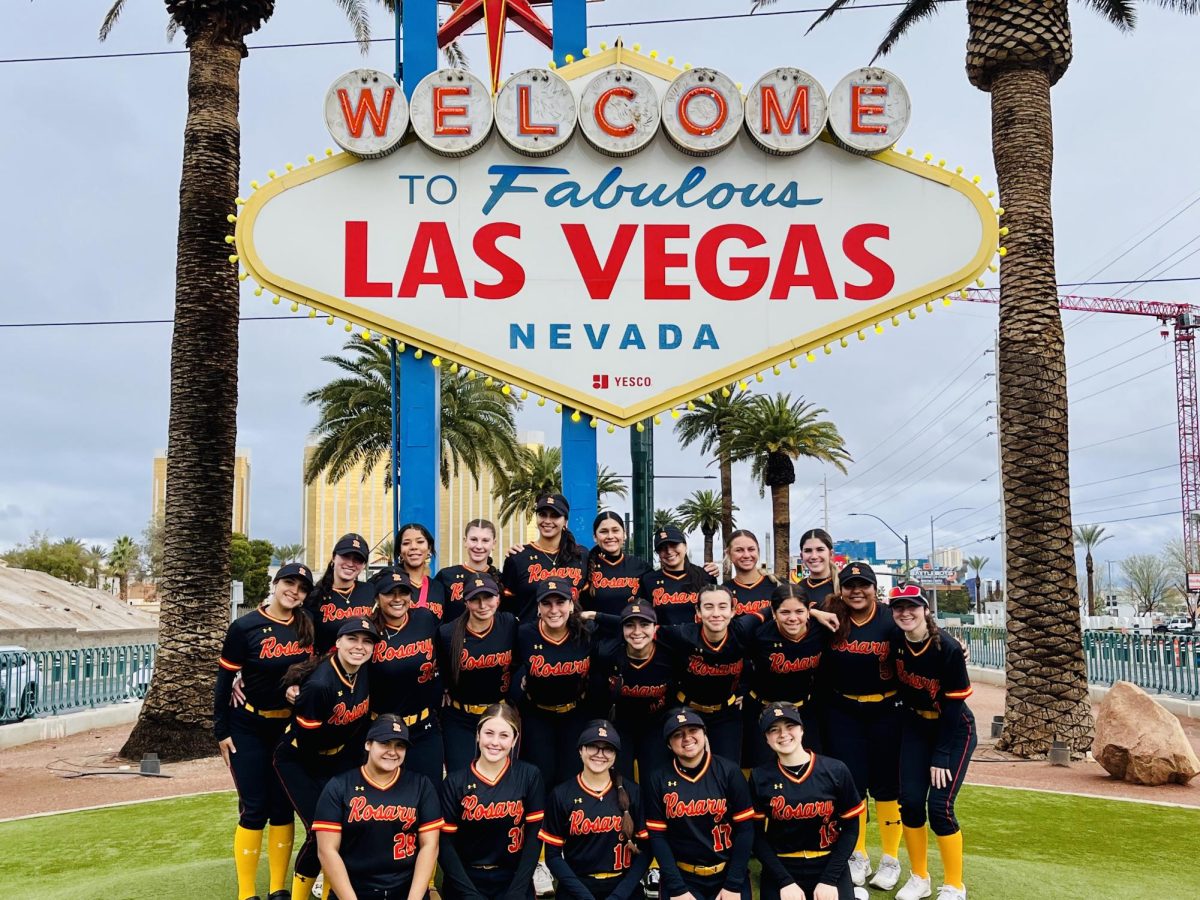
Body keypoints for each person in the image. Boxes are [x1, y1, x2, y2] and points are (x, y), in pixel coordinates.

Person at [215, 562, 316, 900]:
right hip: (247, 726)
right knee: (254, 806)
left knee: (282, 807)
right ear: (276, 584)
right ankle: (246, 893)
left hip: (287, 728)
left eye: (301, 588)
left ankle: (277, 889)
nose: (294, 591)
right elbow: (224, 681)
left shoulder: (307, 626)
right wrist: (221, 730)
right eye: (289, 583)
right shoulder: (244, 627)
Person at [274, 617, 379, 900]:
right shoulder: (320, 684)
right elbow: (310, 745)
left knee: (346, 826)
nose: (359, 647)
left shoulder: (364, 671)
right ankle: (299, 895)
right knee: (321, 830)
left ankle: (330, 888)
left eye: (367, 641)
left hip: (338, 757)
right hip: (300, 759)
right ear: (338, 643)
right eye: (352, 639)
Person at [887, 585, 976, 900]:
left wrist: (941, 754)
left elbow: (953, 706)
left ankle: (954, 885)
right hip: (914, 725)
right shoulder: (895, 639)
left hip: (952, 730)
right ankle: (919, 877)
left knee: (940, 807)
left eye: (911, 606)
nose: (905, 612)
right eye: (898, 607)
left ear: (925, 609)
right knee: (910, 802)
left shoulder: (948, 648)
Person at [820, 562, 904, 892]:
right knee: (852, 786)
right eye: (850, 584)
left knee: (887, 787)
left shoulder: (889, 617)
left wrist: (951, 645)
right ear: (841, 588)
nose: (857, 590)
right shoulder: (832, 616)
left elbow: (921, 634)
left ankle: (891, 857)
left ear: (874, 588)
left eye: (864, 584)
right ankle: (858, 854)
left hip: (886, 709)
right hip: (844, 710)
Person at [314, 714, 443, 900]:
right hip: (355, 890)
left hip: (405, 889)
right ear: (368, 744)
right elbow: (326, 851)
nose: (392, 751)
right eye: (385, 743)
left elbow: (430, 845)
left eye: (400, 745)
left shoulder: (421, 785)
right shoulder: (339, 786)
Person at [749, 702, 865, 900]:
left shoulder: (835, 770)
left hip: (828, 863)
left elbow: (851, 828)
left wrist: (829, 879)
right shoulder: (760, 777)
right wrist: (784, 881)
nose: (783, 734)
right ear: (766, 739)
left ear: (802, 729)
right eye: (774, 730)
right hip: (783, 866)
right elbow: (757, 836)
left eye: (789, 726)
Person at [643, 709, 755, 900]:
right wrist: (677, 889)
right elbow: (657, 837)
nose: (687, 738)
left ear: (704, 733)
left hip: (727, 874)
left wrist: (733, 885)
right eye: (677, 734)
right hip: (683, 877)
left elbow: (746, 830)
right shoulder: (658, 779)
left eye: (693, 730)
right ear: (669, 745)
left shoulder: (729, 772)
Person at [439, 703, 546, 900]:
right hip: (466, 880)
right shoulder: (454, 782)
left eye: (504, 735)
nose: (495, 742)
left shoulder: (529, 776)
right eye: (489, 733)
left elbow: (534, 839)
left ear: (514, 740)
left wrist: (517, 891)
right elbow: (445, 846)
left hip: (512, 879)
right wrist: (469, 894)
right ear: (478, 735)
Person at [540, 721, 650, 900]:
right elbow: (552, 856)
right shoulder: (561, 794)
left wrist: (618, 896)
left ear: (615, 755)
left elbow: (645, 850)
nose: (600, 754)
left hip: (623, 888)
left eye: (608, 748)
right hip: (577, 888)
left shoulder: (632, 792)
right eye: (592, 746)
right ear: (580, 750)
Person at [511, 580, 597, 789]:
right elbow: (511, 668)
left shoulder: (586, 631)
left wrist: (596, 615)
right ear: (538, 608)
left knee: (572, 778)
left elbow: (625, 627)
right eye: (547, 603)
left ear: (571, 604)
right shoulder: (525, 634)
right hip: (537, 714)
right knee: (541, 777)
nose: (554, 610)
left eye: (560, 602)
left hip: (575, 713)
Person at [436, 574, 518, 772]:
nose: (482, 605)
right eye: (475, 599)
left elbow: (521, 660)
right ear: (466, 601)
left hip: (499, 714)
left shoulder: (508, 624)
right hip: (460, 717)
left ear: (498, 598)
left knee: (500, 776)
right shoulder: (448, 633)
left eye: (488, 597)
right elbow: (441, 671)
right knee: (461, 776)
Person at [369, 570, 444, 785]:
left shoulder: (425, 618)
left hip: (424, 728)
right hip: (383, 732)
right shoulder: (368, 630)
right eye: (389, 593)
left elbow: (444, 654)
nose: (397, 599)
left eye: (403, 592)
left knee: (431, 795)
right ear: (377, 597)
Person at [591, 602, 677, 783]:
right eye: (630, 625)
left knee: (655, 778)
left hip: (655, 724)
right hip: (620, 725)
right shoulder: (608, 653)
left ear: (655, 627)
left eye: (644, 624)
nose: (637, 631)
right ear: (621, 629)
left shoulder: (669, 654)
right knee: (623, 782)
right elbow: (596, 692)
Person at [744, 583, 827, 763]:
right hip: (763, 709)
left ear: (808, 611)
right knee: (762, 769)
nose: (792, 618)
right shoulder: (760, 635)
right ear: (773, 613)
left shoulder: (820, 631)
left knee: (810, 765)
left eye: (799, 611)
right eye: (784, 612)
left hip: (803, 709)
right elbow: (738, 661)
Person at [502, 492, 586, 622]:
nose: (547, 521)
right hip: (530, 637)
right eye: (542, 515)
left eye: (555, 515)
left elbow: (589, 600)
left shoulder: (581, 555)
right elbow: (507, 608)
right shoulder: (518, 558)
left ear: (565, 522)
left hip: (573, 637)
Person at [306, 533, 375, 656]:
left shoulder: (370, 590)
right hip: (327, 668)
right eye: (345, 556)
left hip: (365, 668)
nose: (350, 563)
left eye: (358, 559)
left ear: (364, 565)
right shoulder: (313, 596)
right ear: (333, 557)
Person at [637, 527, 717, 627]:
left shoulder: (705, 576)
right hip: (663, 641)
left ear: (685, 546)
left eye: (674, 544)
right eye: (662, 547)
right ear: (658, 553)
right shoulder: (648, 580)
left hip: (698, 640)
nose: (669, 551)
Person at [584, 512, 653, 617]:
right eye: (604, 531)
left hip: (632, 632)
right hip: (594, 632)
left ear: (624, 534)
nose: (610, 536)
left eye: (615, 530)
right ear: (595, 537)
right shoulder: (585, 566)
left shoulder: (640, 567)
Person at [436, 519, 503, 624]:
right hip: (453, 638)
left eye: (485, 540)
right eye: (474, 539)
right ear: (465, 541)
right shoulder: (446, 576)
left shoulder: (501, 578)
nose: (479, 546)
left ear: (493, 544)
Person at [394, 523, 449, 621]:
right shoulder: (388, 584)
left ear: (429, 548)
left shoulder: (439, 588)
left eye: (420, 542)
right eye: (406, 543)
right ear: (399, 551)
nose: (413, 547)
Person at [722, 530, 776, 618]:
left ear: (758, 551)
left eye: (751, 549)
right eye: (739, 550)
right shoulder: (723, 591)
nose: (746, 555)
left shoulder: (777, 585)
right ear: (728, 553)